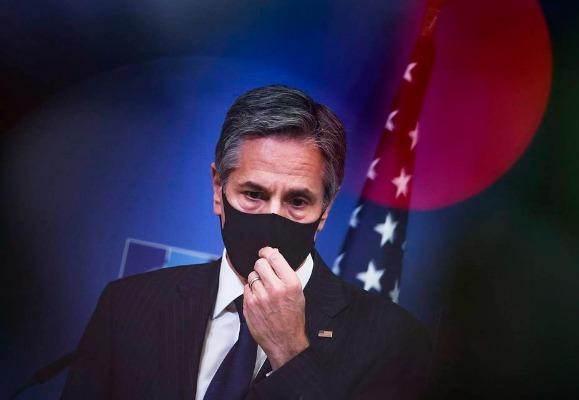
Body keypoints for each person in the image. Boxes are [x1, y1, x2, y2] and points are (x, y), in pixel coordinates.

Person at [61, 85, 431, 399]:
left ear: (325, 210)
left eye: (297, 201)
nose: (273, 217)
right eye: (253, 194)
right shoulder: (127, 307)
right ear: (217, 189)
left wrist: (290, 352)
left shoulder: (390, 339)